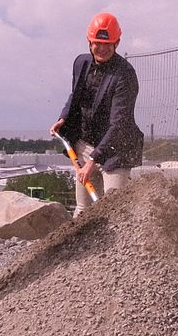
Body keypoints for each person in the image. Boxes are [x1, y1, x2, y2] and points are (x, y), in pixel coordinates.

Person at [49, 12, 143, 216]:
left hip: (116, 150)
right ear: (89, 41)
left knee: (114, 211)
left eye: (107, 44)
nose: (101, 48)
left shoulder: (124, 75)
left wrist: (93, 161)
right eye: (97, 43)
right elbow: (75, 95)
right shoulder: (81, 63)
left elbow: (119, 124)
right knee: (84, 210)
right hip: (85, 144)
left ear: (116, 43)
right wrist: (63, 118)